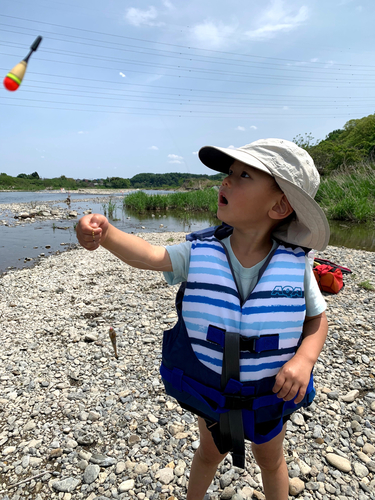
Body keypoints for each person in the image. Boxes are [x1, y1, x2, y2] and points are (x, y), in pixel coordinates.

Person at [76, 138, 329, 500]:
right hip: (211, 389)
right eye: (228, 174)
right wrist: (107, 232)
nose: (225, 181)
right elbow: (149, 255)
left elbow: (317, 320)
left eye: (243, 175)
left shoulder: (296, 265)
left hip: (269, 393)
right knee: (210, 451)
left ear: (280, 206)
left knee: (270, 460)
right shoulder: (198, 252)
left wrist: (305, 360)